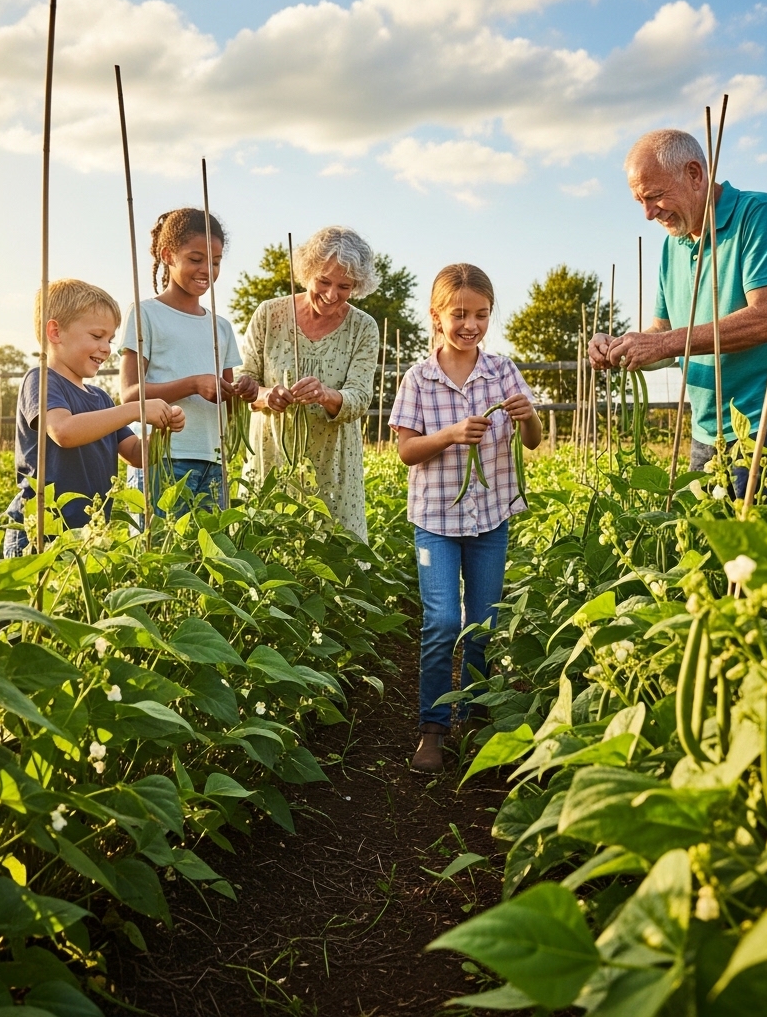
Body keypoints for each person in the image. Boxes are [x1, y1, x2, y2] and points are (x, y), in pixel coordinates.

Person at [589, 128, 767, 514]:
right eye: (639, 201)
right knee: (713, 559)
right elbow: (662, 334)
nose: (648, 213)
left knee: (764, 557)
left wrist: (663, 343)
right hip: (708, 432)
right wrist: (621, 345)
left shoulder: (758, 216)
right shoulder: (673, 245)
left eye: (654, 196)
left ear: (695, 174)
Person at [390, 264, 542, 774]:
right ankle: (432, 727)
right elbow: (407, 451)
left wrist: (529, 416)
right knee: (441, 622)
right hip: (435, 520)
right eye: (459, 314)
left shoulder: (503, 371)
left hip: (490, 520)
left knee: (482, 623)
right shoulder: (418, 377)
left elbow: (534, 441)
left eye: (480, 314)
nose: (470, 324)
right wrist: (452, 434)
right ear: (436, 316)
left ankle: (476, 719)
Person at [4, 278, 184, 557]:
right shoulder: (40, 380)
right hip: (40, 531)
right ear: (55, 331)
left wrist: (163, 429)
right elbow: (63, 431)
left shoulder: (100, 398)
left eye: (110, 340)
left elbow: (136, 455)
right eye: (97, 336)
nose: (106, 348)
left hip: (90, 534)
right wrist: (135, 408)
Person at [238, 226, 380, 541]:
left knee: (336, 558)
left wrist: (326, 395)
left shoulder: (363, 328)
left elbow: (358, 397)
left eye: (345, 286)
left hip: (333, 465)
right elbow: (243, 378)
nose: (332, 295)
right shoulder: (270, 314)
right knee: (267, 546)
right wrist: (266, 395)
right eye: (324, 281)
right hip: (272, 456)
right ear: (307, 272)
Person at [120, 209, 258, 514]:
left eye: (216, 262)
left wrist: (243, 391)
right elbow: (130, 394)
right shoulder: (146, 314)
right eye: (196, 259)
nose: (207, 269)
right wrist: (193, 384)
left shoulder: (221, 327)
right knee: (161, 556)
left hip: (213, 461)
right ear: (168, 255)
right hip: (163, 458)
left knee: (206, 558)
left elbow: (229, 403)